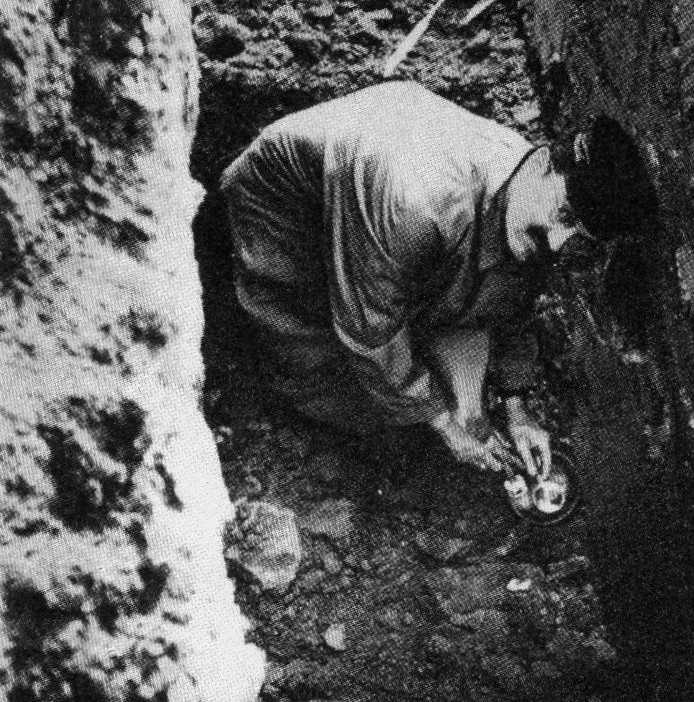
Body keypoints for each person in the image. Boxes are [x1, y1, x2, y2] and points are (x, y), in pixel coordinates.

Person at [220, 81, 581, 475]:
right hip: (283, 207)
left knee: (438, 312)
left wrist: (517, 405)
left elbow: (514, 298)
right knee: (324, 378)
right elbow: (368, 335)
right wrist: (441, 421)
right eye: (564, 215)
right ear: (543, 164)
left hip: (374, 215)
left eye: (579, 230)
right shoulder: (419, 206)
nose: (560, 240)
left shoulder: (526, 188)